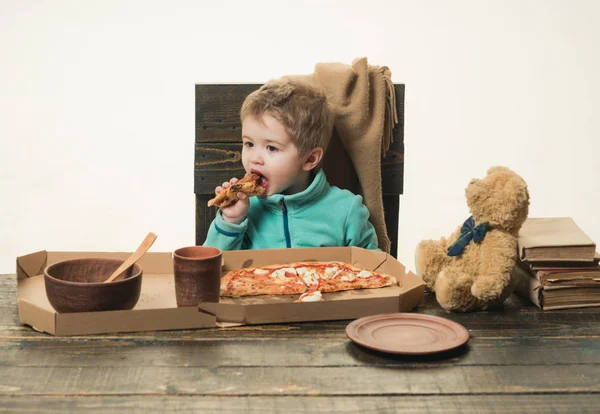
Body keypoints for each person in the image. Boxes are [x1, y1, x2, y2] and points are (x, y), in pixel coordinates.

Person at [203, 79, 378, 251]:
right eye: (249, 144)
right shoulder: (244, 210)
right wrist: (231, 222)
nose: (254, 158)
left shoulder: (347, 211)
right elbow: (212, 267)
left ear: (310, 159)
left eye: (271, 148)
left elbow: (372, 269)